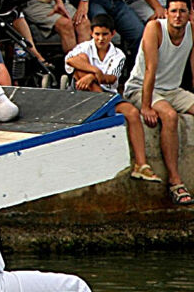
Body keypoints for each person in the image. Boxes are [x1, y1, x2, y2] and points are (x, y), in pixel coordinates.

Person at [123, 0, 194, 205]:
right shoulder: (154, 29)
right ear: (166, 13)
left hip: (173, 90)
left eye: (182, 11)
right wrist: (145, 106)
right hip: (142, 88)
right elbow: (150, 70)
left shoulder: (192, 30)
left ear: (189, 14)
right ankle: (175, 181)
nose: (178, 16)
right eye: (173, 11)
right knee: (169, 116)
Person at [65, 16, 155, 183]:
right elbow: (70, 60)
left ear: (112, 34)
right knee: (81, 65)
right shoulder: (84, 47)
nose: (101, 38)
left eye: (105, 34)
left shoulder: (118, 54)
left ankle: (141, 165)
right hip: (82, 96)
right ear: (91, 33)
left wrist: (93, 77)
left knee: (133, 113)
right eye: (97, 34)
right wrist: (93, 72)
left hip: (107, 96)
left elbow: (112, 79)